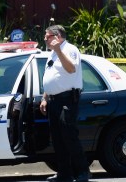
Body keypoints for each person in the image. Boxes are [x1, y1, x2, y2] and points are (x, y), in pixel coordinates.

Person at [39, 25, 91, 182]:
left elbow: (71, 69)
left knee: (69, 137)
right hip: (54, 101)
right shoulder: (52, 53)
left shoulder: (69, 49)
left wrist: (59, 51)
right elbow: (52, 76)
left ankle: (83, 171)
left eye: (47, 36)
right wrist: (45, 97)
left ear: (57, 37)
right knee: (58, 139)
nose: (44, 39)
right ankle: (64, 174)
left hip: (67, 100)